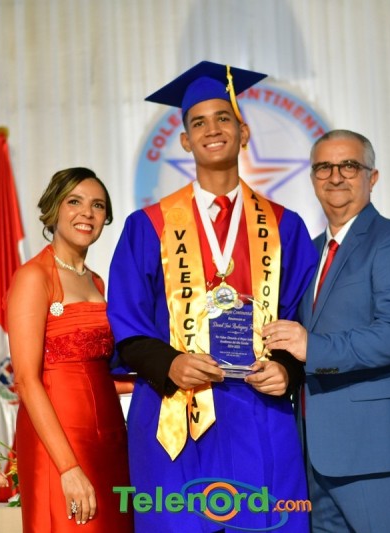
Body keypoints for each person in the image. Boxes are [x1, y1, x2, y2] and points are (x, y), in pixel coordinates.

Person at [107, 61, 317, 532]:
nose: (212, 129)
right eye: (198, 122)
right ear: (185, 141)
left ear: (243, 132)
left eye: (224, 118)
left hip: (258, 410)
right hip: (175, 411)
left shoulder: (285, 227)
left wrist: (288, 369)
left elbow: (303, 319)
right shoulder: (149, 227)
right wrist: (170, 363)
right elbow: (126, 323)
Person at [262, 130, 390, 532]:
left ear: (373, 177)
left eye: (349, 166)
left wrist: (313, 348)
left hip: (379, 456)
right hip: (314, 459)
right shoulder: (307, 252)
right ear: (312, 179)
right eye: (324, 167)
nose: (336, 176)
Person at [7, 167, 133, 533]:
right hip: (59, 442)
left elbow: (93, 375)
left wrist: (155, 381)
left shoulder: (97, 281)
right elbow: (27, 380)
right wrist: (68, 467)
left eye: (98, 205)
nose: (87, 213)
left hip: (109, 437)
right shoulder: (34, 277)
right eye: (74, 202)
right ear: (54, 209)